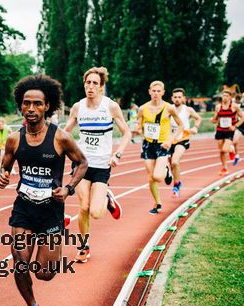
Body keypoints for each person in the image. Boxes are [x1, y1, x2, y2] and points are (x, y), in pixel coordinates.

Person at [0, 74, 87, 306]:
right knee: (20, 261)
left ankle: (61, 229)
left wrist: (69, 189)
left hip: (51, 210)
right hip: (24, 208)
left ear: (48, 106)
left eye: (37, 104)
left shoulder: (60, 138)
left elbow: (82, 162)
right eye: (27, 103)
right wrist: (2, 177)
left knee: (44, 273)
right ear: (21, 105)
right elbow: (4, 168)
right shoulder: (14, 139)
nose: (31, 109)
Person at [64, 67, 131, 263]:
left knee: (96, 213)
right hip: (82, 164)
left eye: (95, 83)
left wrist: (117, 154)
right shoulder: (78, 107)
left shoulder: (110, 107)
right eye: (88, 82)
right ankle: (84, 247)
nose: (90, 86)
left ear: (101, 87)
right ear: (84, 84)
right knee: (83, 207)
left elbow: (127, 133)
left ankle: (108, 197)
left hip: (102, 165)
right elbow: (66, 132)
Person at [132, 81, 183, 214]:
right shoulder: (142, 108)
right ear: (149, 92)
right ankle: (157, 203)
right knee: (151, 178)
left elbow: (181, 125)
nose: (156, 93)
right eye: (153, 91)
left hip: (163, 144)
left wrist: (171, 140)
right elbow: (139, 123)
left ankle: (166, 171)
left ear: (163, 92)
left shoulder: (169, 108)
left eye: (158, 91)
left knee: (158, 177)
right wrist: (137, 128)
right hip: (148, 144)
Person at [168, 88, 202, 196]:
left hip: (183, 138)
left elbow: (198, 118)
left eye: (179, 97)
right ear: (172, 98)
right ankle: (175, 179)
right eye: (175, 97)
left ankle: (176, 185)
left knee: (174, 161)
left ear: (183, 98)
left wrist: (195, 127)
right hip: (170, 139)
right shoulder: (168, 109)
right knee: (170, 163)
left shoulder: (188, 110)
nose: (177, 99)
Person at [211, 88, 244, 175]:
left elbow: (243, 118)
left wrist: (235, 126)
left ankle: (231, 150)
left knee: (224, 149)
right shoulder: (218, 107)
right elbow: (215, 118)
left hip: (229, 131)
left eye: (226, 96)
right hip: (220, 130)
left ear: (230, 97)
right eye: (223, 96)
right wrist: (213, 120)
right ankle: (224, 168)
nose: (224, 97)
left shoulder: (235, 106)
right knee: (221, 151)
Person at [230, 94, 242, 165]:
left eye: (238, 99)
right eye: (236, 99)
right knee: (235, 141)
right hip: (239, 124)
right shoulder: (234, 105)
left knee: (235, 141)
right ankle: (237, 156)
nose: (237, 100)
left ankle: (236, 155)